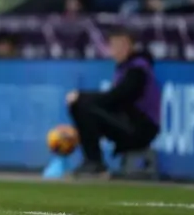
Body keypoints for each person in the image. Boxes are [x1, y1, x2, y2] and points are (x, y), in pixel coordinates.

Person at [65, 27, 160, 177]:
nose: (116, 50)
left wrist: (82, 96)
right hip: (130, 121)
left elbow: (117, 97)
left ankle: (95, 163)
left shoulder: (137, 69)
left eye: (120, 45)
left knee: (82, 105)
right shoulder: (125, 67)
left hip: (141, 127)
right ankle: (92, 161)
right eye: (113, 45)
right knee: (81, 106)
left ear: (130, 46)